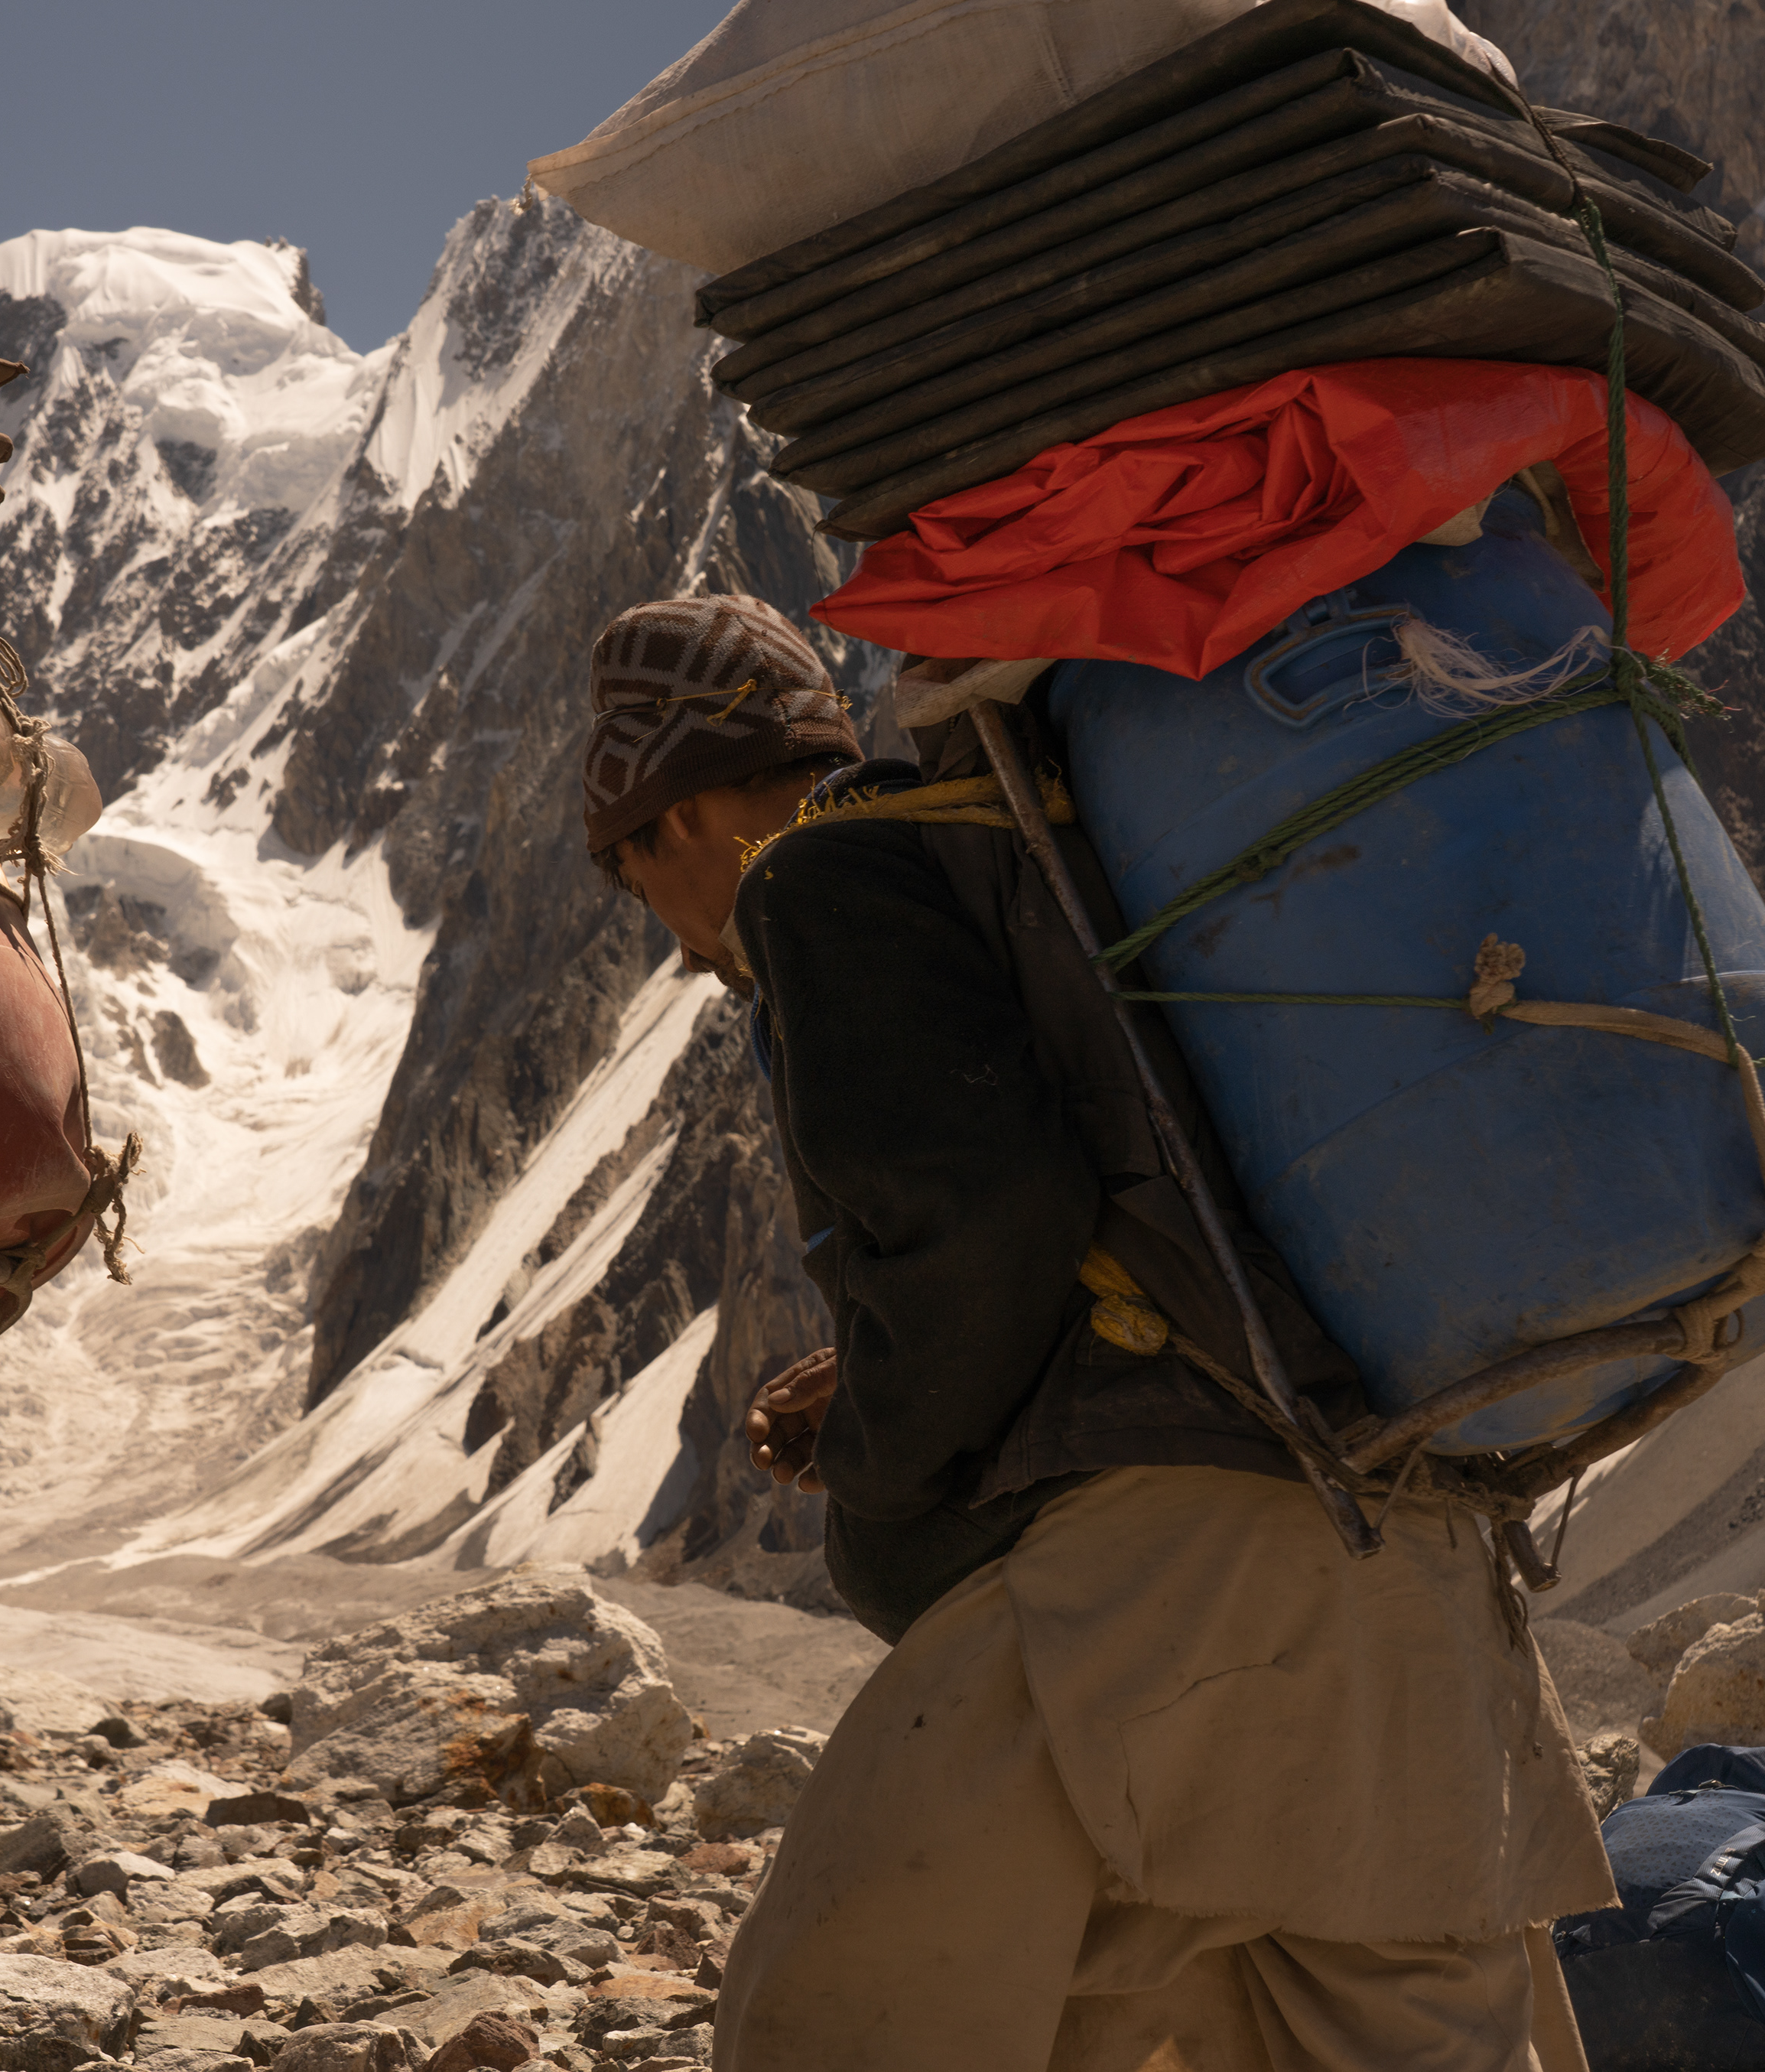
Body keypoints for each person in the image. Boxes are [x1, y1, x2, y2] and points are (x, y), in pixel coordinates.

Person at [580, 600, 1614, 2070]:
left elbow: (990, 1210)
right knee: (1382, 2027)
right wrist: (880, 1362)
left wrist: (876, 1451)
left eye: (634, 871)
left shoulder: (817, 877)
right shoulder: (1031, 854)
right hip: (1403, 1539)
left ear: (673, 816)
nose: (667, 923)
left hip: (1169, 1596)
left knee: (839, 2009)